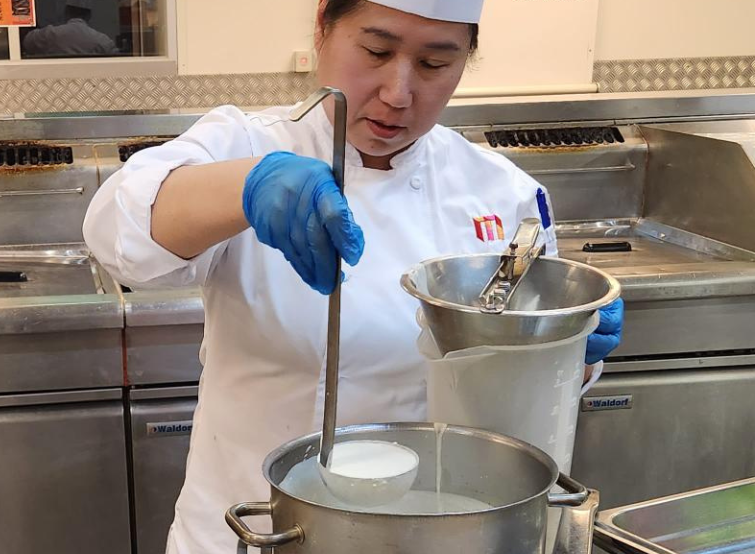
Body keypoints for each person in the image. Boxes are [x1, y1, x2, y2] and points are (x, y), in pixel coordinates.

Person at [81, 1, 624, 552]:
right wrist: (246, 187)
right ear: (323, 27)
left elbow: (525, 405)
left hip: (438, 532)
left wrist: (568, 348)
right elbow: (119, 237)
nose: (398, 92)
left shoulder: (500, 193)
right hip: (256, 531)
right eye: (376, 51)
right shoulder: (247, 144)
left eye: (435, 65)